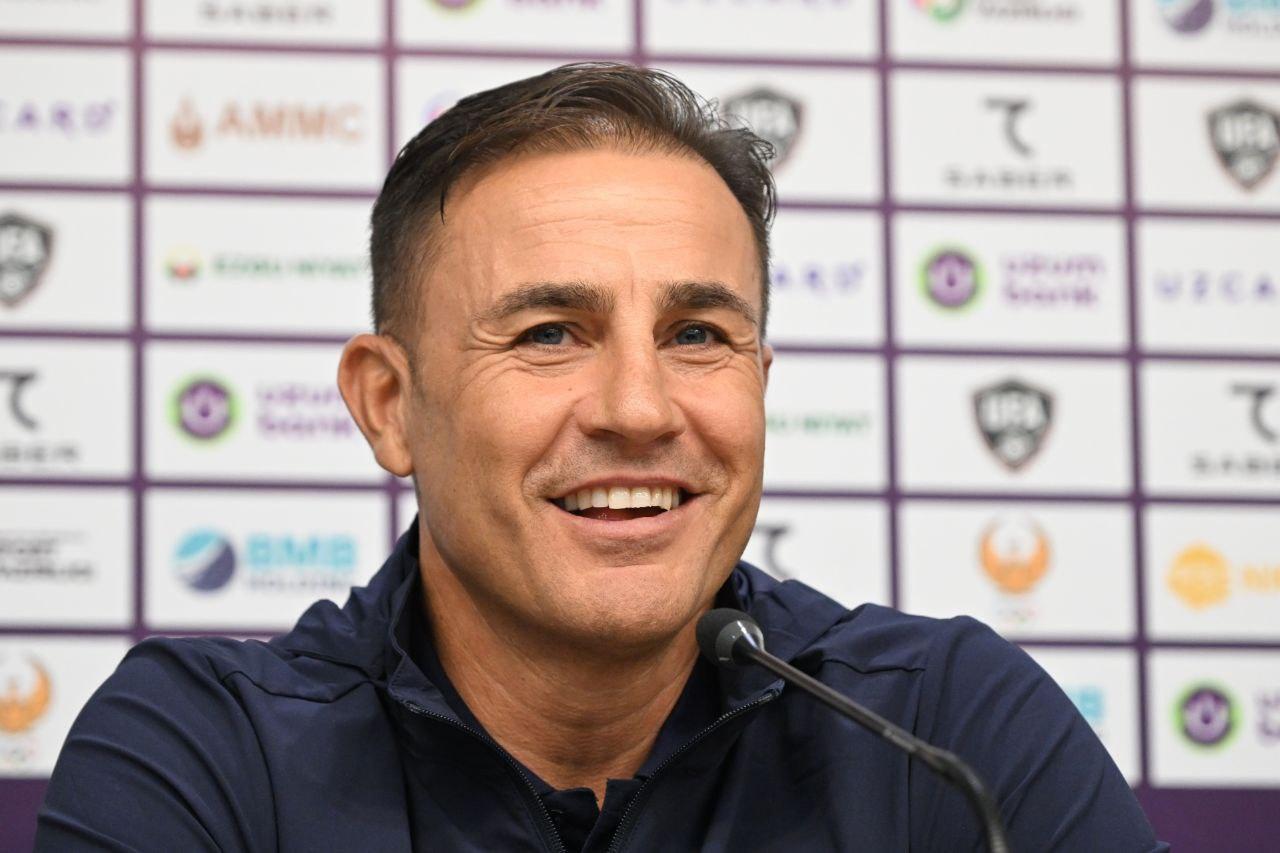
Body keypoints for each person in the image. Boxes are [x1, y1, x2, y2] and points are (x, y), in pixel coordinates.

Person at [37, 63, 1167, 852]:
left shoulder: (944, 730)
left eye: (697, 335)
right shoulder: (207, 754)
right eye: (548, 334)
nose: (638, 407)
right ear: (389, 405)